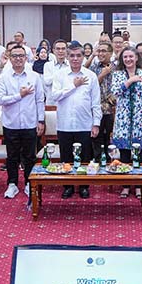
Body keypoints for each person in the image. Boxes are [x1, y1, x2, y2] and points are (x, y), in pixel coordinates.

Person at [52, 41, 101, 199]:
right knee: (66, 157)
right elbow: (54, 96)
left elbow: (96, 102)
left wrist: (96, 124)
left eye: (78, 55)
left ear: (83, 56)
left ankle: (84, 186)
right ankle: (67, 186)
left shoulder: (91, 76)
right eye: (71, 55)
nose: (75, 58)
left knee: (85, 157)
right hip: (65, 124)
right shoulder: (60, 75)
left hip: (84, 124)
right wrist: (73, 86)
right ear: (67, 56)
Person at [0, 44, 45, 199]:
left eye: (21, 56)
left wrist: (41, 121)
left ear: (26, 58)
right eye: (15, 56)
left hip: (30, 123)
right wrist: (19, 95)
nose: (18, 58)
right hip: (11, 123)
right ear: (10, 58)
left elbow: (39, 100)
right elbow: (0, 100)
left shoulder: (34, 76)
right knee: (12, 156)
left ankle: (29, 183)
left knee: (30, 156)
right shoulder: (4, 77)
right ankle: (12, 184)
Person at [112, 45, 142, 199]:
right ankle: (125, 185)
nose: (128, 59)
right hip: (123, 120)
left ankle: (139, 186)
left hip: (141, 120)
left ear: (137, 58)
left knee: (139, 155)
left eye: (131, 56)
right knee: (124, 155)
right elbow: (116, 92)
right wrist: (130, 81)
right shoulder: (118, 74)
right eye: (125, 57)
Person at [90, 42, 116, 161]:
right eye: (99, 51)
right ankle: (98, 164)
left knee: (110, 140)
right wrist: (102, 74)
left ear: (110, 53)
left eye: (103, 51)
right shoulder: (94, 67)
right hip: (97, 109)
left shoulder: (118, 68)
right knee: (97, 139)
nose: (100, 53)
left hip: (113, 110)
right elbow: (91, 85)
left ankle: (112, 165)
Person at [43, 39, 69, 105]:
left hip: (67, 102)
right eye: (58, 49)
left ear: (67, 51)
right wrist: (62, 74)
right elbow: (47, 81)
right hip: (52, 102)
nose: (60, 51)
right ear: (53, 51)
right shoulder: (48, 65)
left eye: (63, 49)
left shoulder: (70, 65)